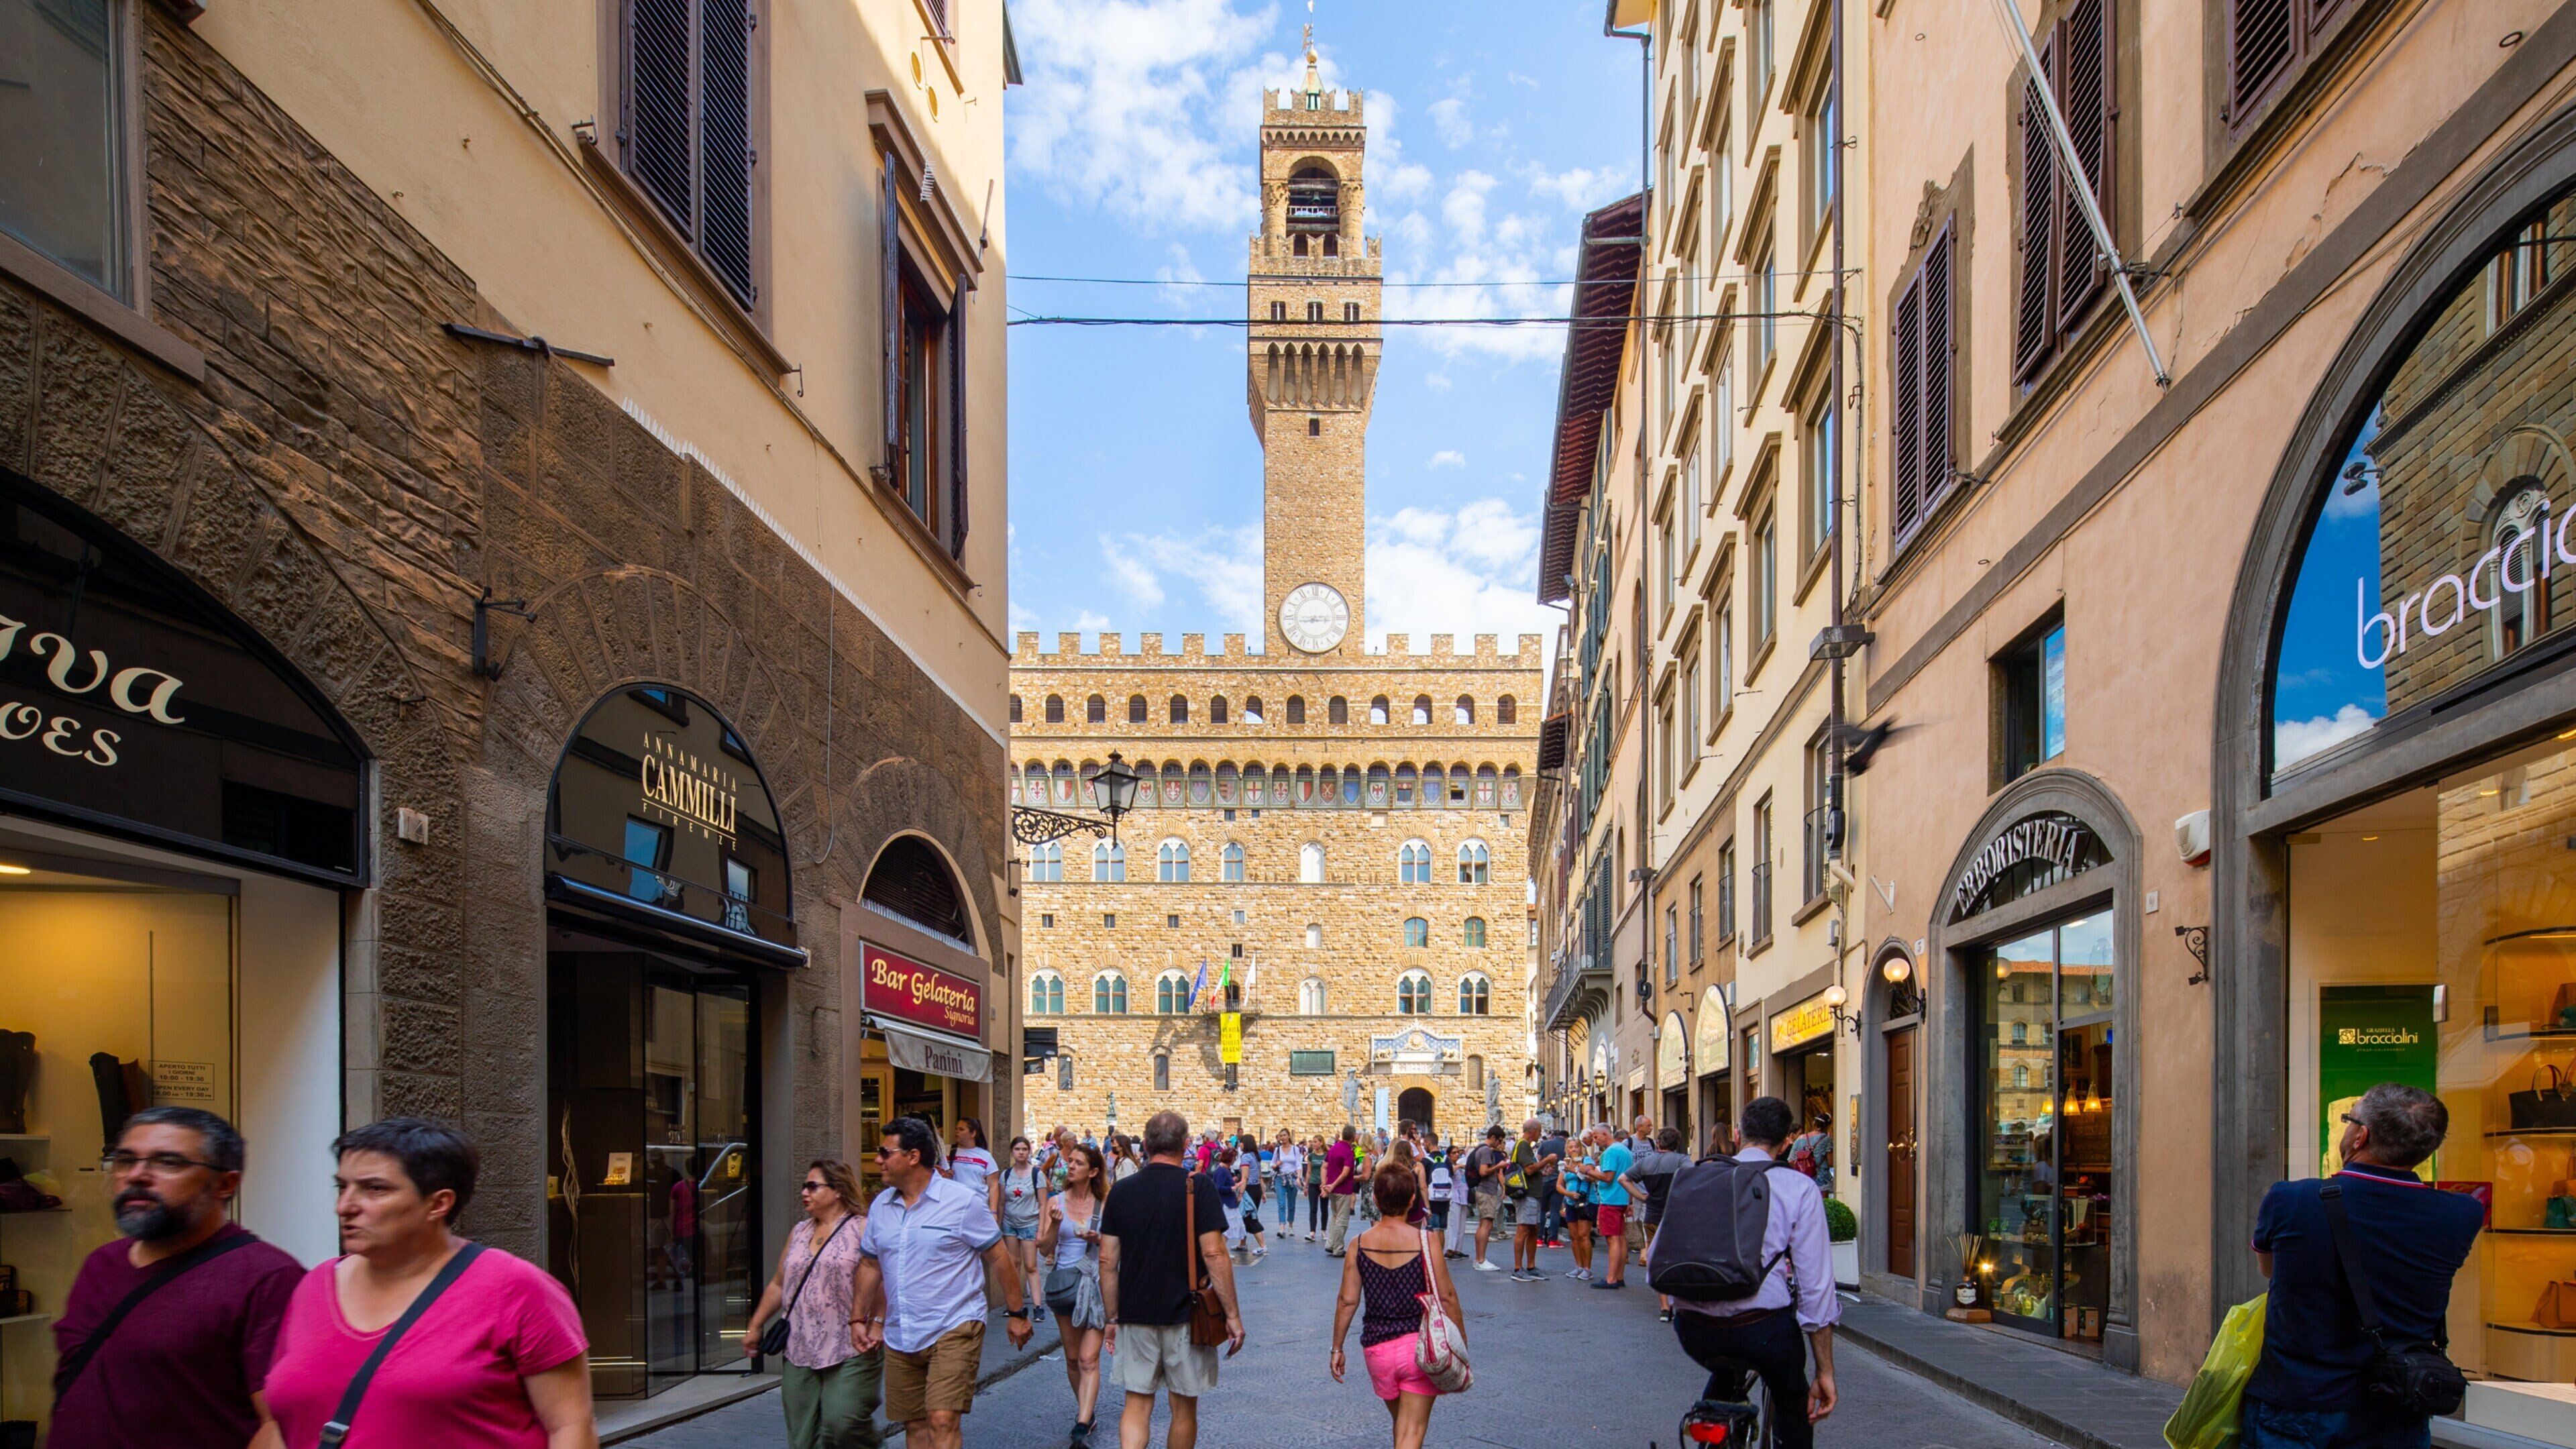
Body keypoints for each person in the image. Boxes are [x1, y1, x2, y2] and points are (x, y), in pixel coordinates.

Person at [255, 1118, 592, 1449]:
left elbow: (570, 1426)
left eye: (375, 1189)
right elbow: (279, 1425)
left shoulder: (516, 1289)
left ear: (438, 1203)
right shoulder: (313, 1287)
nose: (345, 1207)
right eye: (342, 1187)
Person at [2242, 1083, 2484, 1449]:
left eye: (2349, 1121)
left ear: (2361, 1136)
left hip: (2298, 1399)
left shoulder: (2291, 1200)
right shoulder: (2462, 1213)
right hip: (2397, 1401)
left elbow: (2270, 1269)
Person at [51, 1106, 304, 1449]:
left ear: (225, 1184)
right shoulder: (102, 1264)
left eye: (168, 1162)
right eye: (126, 1160)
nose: (137, 1175)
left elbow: (279, 1425)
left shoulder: (267, 1278)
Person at [1668, 1097, 1839, 1449]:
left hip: (1693, 1329)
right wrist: (1825, 1372)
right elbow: (1816, 1287)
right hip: (1761, 1330)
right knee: (1793, 1400)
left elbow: (1662, 1256)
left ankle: (1711, 1425)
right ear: (1786, 1141)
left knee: (1724, 1373)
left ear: (1737, 1133)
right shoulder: (1798, 1188)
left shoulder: (1696, 1176)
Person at [852, 1116, 1032, 1449]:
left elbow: (999, 1256)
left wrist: (1017, 1314)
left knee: (941, 1419)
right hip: (902, 1330)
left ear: (913, 1156)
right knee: (916, 1425)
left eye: (885, 1152)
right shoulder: (881, 1206)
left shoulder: (961, 1201)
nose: (878, 1159)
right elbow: (870, 1263)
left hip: (955, 1324)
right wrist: (858, 1318)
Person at [1100, 1111, 1244, 1449]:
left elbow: (1107, 1261)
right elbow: (1215, 1254)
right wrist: (1233, 1315)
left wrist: (1111, 1317)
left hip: (1135, 1313)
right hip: (1187, 1314)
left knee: (1136, 1404)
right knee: (1183, 1408)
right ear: (1185, 1144)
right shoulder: (1199, 1187)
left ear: (1146, 1146)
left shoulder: (1121, 1191)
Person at [1328, 1160, 1465, 1449]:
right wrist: (1460, 1342)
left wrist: (1337, 1347)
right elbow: (1448, 1297)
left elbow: (1347, 1301)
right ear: (1413, 1198)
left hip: (1377, 1349)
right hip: (1418, 1347)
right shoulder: (1426, 1241)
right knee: (1410, 1435)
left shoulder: (1359, 1244)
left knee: (1402, 1428)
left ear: (1376, 1199)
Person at [746, 1161, 877, 1449]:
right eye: (804, 1186)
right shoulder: (799, 1231)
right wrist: (755, 1325)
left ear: (838, 1190)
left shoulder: (863, 1228)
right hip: (800, 1345)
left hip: (850, 1344)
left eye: (812, 1186)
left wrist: (877, 1323)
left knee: (843, 1423)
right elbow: (779, 1283)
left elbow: (882, 1279)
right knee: (802, 1436)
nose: (804, 1192)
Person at [1038, 1142, 1112, 1446]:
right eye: (1070, 1162)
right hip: (1067, 1286)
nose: (1071, 1166)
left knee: (1087, 1358)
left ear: (1093, 1171)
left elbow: (1120, 1247)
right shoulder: (1055, 1202)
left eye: (1079, 1163)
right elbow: (1044, 1248)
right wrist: (1055, 1226)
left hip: (1096, 1286)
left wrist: (1099, 1239)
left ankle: (1082, 1422)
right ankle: (1087, 1411)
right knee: (1071, 1358)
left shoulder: (1106, 1203)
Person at [1631, 1128, 1695, 1321]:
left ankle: (1664, 1308)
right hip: (1675, 1217)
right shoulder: (1682, 1161)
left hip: (1652, 1216)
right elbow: (1694, 1179)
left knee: (1658, 1259)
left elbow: (1623, 1179)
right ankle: (1679, 1302)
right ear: (1676, 1144)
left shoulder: (1647, 1162)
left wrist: (1641, 1197)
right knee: (1677, 1259)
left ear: (1658, 1143)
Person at [996, 1138, 1048, 1320]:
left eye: (1025, 1149)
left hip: (1029, 1224)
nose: (1021, 1152)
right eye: (1017, 1149)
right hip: (1010, 1224)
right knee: (1013, 1264)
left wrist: (1041, 1229)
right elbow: (1002, 1203)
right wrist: (999, 1227)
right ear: (1012, 1151)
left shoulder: (1037, 1175)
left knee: (1031, 1266)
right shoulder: (1006, 1175)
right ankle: (1014, 1305)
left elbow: (1043, 1204)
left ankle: (1038, 1306)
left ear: (1029, 1151)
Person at [1505, 1118, 1558, 1282]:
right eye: (1540, 1130)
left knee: (1533, 1229)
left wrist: (1542, 1172)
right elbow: (1528, 1170)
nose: (1541, 1133)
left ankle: (1531, 1266)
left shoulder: (1524, 1146)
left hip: (1533, 1193)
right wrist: (1546, 1161)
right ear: (1533, 1130)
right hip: (1527, 1194)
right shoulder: (1523, 1145)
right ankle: (1518, 1268)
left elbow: (1529, 1170)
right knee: (1524, 1229)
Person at [1587, 1125, 1635, 1289]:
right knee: (1620, 1238)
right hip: (1622, 1198)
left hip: (1610, 1199)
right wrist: (1629, 1201)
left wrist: (1589, 1171)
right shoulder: (1626, 1151)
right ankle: (1619, 1276)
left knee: (1612, 1239)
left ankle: (1611, 1278)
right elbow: (1629, 1177)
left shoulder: (1609, 1152)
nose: (1595, 1140)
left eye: (1595, 1137)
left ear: (1604, 1134)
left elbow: (1607, 1177)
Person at [1465, 1126, 1509, 1272]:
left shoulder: (1480, 1149)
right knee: (1486, 1225)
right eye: (1500, 1141)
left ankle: (1479, 1259)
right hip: (1487, 1191)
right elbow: (1483, 1171)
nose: (1500, 1144)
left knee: (1483, 1224)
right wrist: (1499, 1166)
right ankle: (1481, 1260)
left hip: (1483, 1191)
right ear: (1494, 1138)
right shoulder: (1486, 1151)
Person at [1558, 1136, 1597, 1281]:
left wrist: (1574, 1170)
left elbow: (1592, 1178)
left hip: (1586, 1201)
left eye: (1576, 1146)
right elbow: (1559, 1185)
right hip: (1570, 1202)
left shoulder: (1586, 1161)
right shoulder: (1564, 1164)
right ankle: (1579, 1266)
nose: (1573, 1149)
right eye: (1570, 1147)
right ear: (1567, 1150)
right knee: (1574, 1236)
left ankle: (1587, 1268)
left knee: (1583, 1235)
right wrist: (1567, 1193)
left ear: (1581, 1148)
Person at [1323, 1127, 1361, 1256]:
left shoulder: (1334, 1148)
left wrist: (1326, 1184)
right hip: (1343, 1189)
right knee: (1342, 1219)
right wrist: (1333, 1185)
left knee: (1335, 1216)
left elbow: (1325, 1166)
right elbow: (1346, 1172)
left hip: (1332, 1188)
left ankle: (1330, 1244)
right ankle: (1338, 1248)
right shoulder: (1348, 1152)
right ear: (1353, 1136)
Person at [1536, 1122, 1570, 1248]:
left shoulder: (1545, 1144)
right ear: (1566, 1138)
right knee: (1555, 1210)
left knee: (1543, 1210)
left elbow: (1537, 1160)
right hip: (1559, 1182)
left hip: (1544, 1181)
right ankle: (1553, 1240)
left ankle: (1539, 1239)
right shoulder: (1567, 1147)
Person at [945, 1118, 997, 1200]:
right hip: (954, 1203)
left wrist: (993, 1211)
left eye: (961, 1129)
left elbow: (993, 1184)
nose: (957, 1131)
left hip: (979, 1204)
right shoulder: (947, 1152)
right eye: (956, 1129)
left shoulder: (986, 1156)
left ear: (973, 1133)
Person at [1442, 1139, 1472, 1259]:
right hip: (1454, 1197)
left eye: (1458, 1152)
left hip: (1463, 1197)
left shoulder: (1460, 1166)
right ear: (1449, 1155)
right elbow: (1449, 1173)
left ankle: (1458, 1249)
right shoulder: (1449, 1165)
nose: (1456, 1154)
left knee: (1461, 1225)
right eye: (1454, 1153)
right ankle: (1450, 1249)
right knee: (1453, 1225)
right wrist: (1459, 1166)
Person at [1272, 1134, 1304, 1236]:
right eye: (1281, 1136)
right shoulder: (1277, 1150)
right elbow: (1272, 1164)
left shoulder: (1295, 1149)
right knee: (1281, 1204)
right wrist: (1276, 1165)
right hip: (1280, 1178)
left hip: (1292, 1178)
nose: (1283, 1137)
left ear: (1289, 1136)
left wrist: (1299, 1178)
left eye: (1285, 1135)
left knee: (1291, 1204)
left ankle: (1291, 1226)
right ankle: (1282, 1228)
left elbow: (1298, 1164)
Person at [1424, 1142, 1454, 1247]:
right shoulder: (1447, 1159)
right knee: (1441, 1230)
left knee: (1434, 1229)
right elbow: (1452, 1174)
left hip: (1432, 1199)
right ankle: (1440, 1255)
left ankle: (1434, 1257)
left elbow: (1423, 1182)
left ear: (1429, 1143)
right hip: (1445, 1197)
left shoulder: (1426, 1161)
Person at [1306, 1136, 1330, 1241]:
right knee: (1313, 1208)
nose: (1313, 1144)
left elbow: (1329, 1171)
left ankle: (1324, 1231)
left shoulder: (1327, 1156)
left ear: (1321, 1143)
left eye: (1315, 1142)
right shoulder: (1311, 1156)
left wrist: (1326, 1185)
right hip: (1313, 1183)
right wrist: (1306, 1185)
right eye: (1313, 1142)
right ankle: (1312, 1232)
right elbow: (1309, 1171)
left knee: (1324, 1209)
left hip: (1323, 1185)